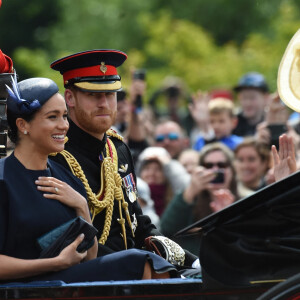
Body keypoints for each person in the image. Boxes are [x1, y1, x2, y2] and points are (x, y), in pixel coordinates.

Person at [0, 75, 176, 283]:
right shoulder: (4, 180)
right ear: (23, 125)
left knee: (158, 267)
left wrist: (82, 206)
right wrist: (55, 263)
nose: (63, 125)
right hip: (22, 288)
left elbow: (89, 256)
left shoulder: (67, 178)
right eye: (52, 117)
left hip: (63, 282)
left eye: (64, 116)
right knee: (138, 262)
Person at [49, 50, 198, 270]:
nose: (105, 104)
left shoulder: (117, 148)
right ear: (69, 98)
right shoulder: (56, 156)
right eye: (93, 95)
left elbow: (137, 222)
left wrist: (192, 261)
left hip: (133, 271)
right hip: (89, 275)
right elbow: (67, 238)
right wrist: (137, 263)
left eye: (111, 95)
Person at [160, 142, 238, 255]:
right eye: (209, 166)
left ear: (232, 170)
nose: (215, 170)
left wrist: (228, 214)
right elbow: (167, 228)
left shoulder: (246, 198)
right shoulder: (190, 200)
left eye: (221, 165)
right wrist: (190, 190)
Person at [232, 72, 270, 137]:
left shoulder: (271, 122)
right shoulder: (233, 123)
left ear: (265, 98)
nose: (247, 103)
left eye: (252, 98)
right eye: (244, 97)